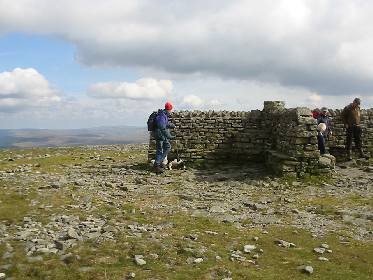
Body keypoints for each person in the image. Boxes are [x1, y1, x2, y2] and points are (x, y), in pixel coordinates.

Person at [153, 102, 175, 174]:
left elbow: (164, 124)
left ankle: (159, 162)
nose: (171, 111)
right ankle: (157, 166)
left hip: (162, 135)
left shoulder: (164, 115)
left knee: (168, 146)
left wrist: (171, 125)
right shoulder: (162, 116)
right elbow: (162, 127)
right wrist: (169, 136)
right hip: (159, 135)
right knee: (160, 150)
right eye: (170, 110)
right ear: (168, 109)